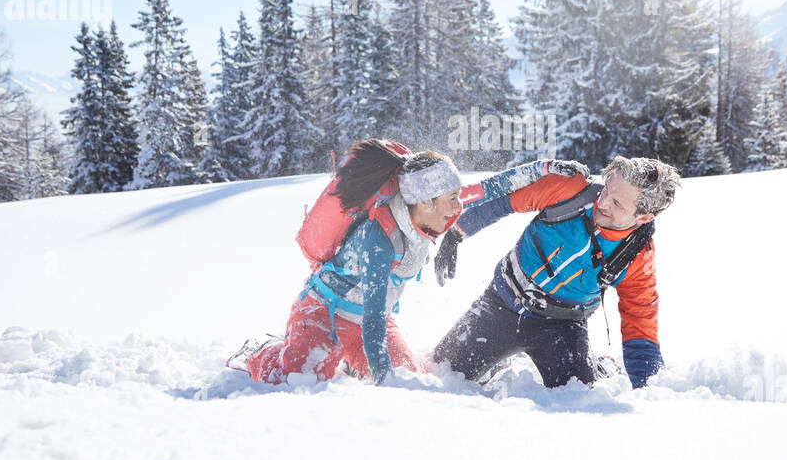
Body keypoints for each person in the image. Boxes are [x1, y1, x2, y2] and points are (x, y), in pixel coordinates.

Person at [240, 138, 586, 386]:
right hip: (324, 311)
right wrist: (385, 384)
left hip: (370, 320)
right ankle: (264, 354)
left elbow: (493, 187)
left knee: (412, 377)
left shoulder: (435, 201)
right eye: (451, 200)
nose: (457, 208)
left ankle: (352, 362)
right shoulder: (379, 240)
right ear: (424, 202)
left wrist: (544, 168)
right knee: (300, 378)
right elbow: (373, 320)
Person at [432, 155, 681, 389]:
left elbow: (640, 318)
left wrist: (647, 387)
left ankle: (601, 368)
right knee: (441, 371)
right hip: (501, 303)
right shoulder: (570, 191)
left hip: (562, 327)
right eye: (606, 190)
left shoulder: (637, 254)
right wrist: (456, 234)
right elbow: (505, 203)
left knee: (577, 396)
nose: (602, 202)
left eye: (617, 203)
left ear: (644, 217)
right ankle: (497, 361)